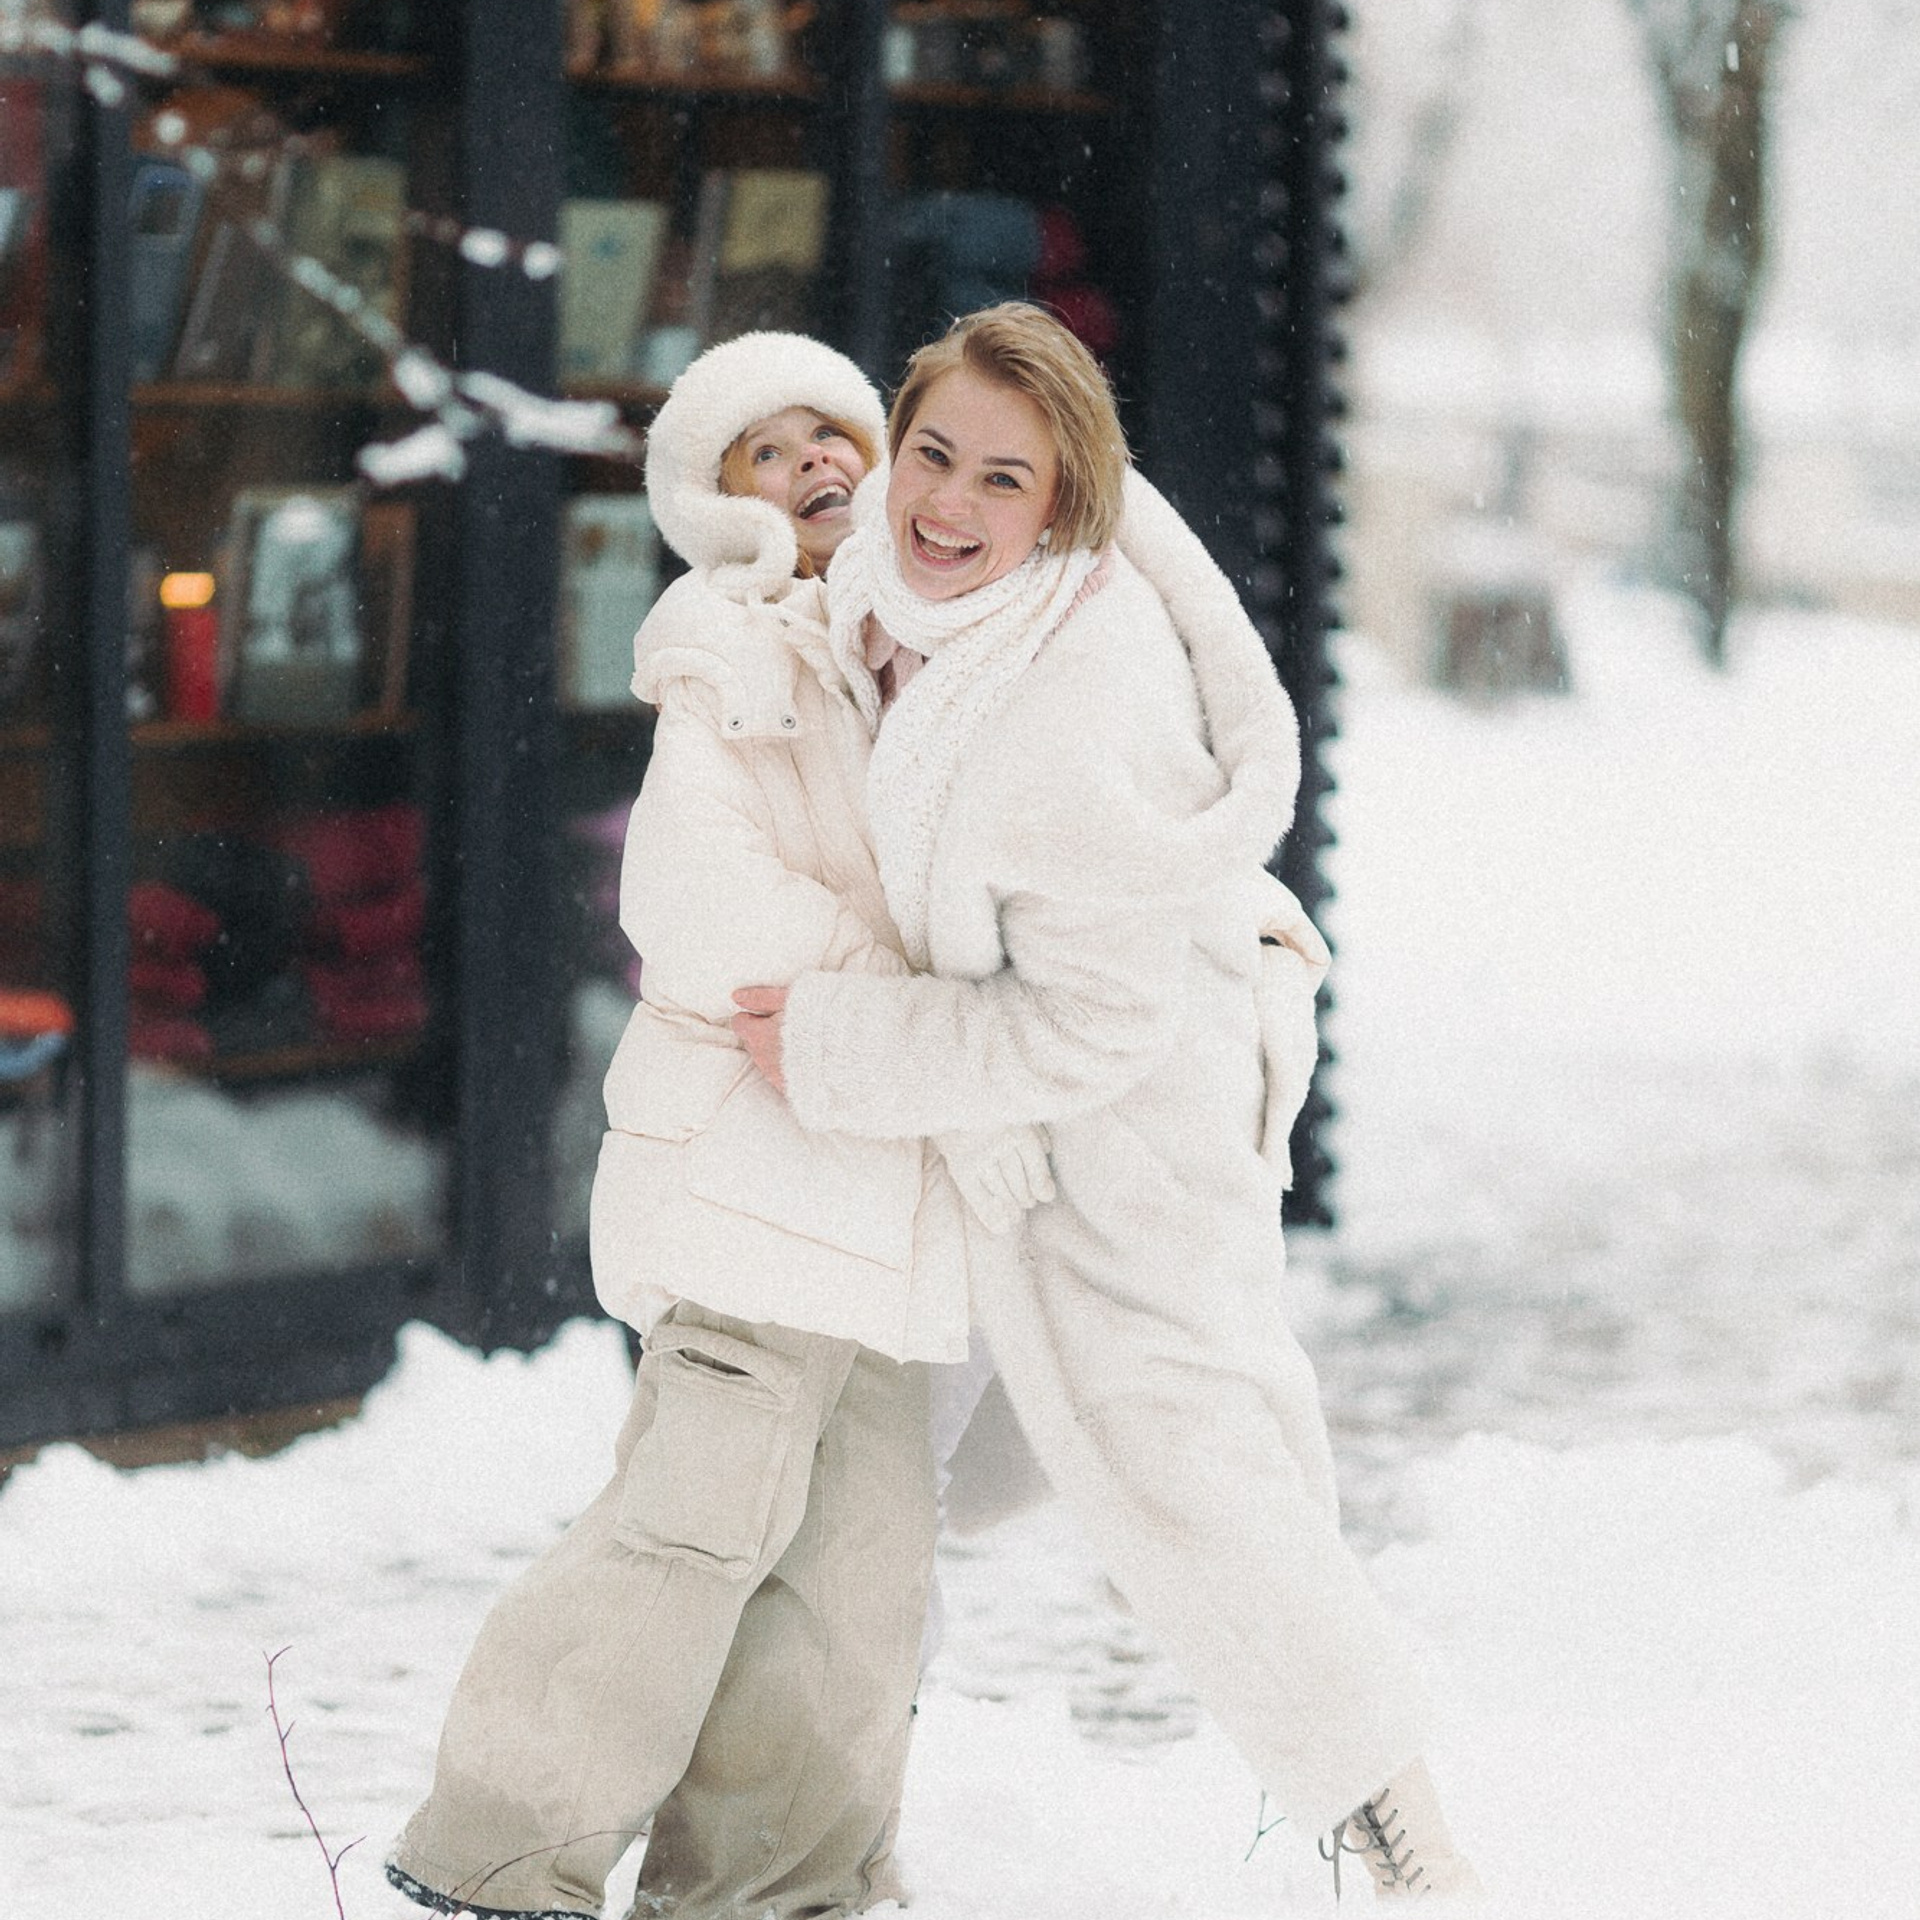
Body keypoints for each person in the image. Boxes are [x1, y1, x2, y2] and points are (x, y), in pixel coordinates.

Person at [731, 303, 1486, 1902]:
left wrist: (848, 1048)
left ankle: (1406, 1835)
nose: (949, 503)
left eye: (1002, 481)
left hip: (1129, 1132)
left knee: (1201, 1485)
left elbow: (1092, 1022)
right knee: (873, 1484)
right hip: (986, 1135)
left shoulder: (1074, 702)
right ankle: (836, 1831)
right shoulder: (893, 578)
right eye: (930, 452)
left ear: (1065, 507)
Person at [383, 330, 1050, 1920]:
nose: (816, 459)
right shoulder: (728, 643)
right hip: (754, 1183)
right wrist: (896, 1000)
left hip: (895, 1210)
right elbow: (694, 906)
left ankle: (777, 1893)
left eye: (835, 430)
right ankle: (497, 1863)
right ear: (716, 499)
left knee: (858, 1591)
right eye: (769, 450)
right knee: (684, 1541)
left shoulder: (954, 647)